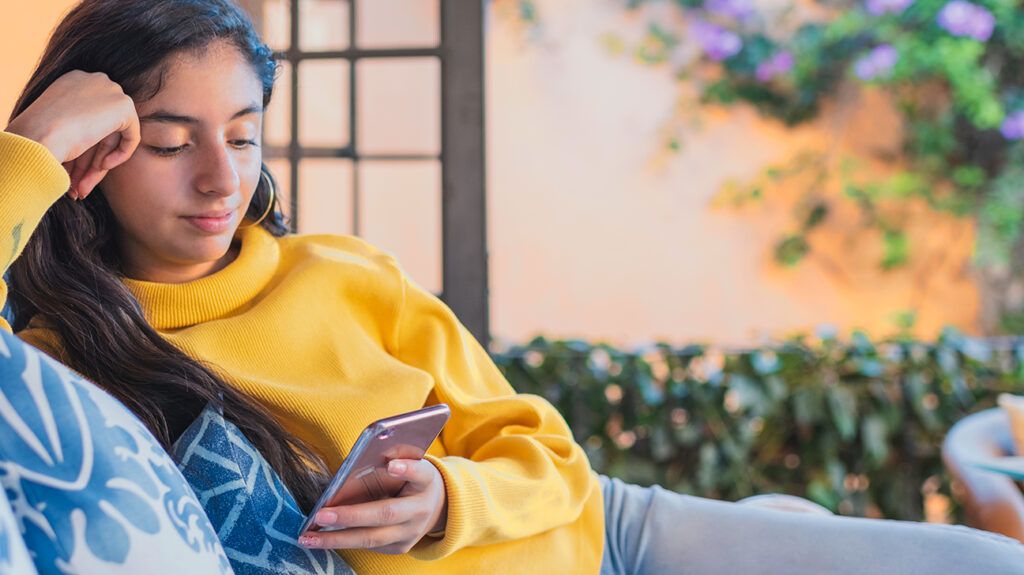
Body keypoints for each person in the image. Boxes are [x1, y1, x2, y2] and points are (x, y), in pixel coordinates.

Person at [1, 1, 1022, 573]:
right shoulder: (58, 363)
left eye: (242, 136)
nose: (220, 179)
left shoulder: (341, 271)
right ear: (99, 152)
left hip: (608, 537)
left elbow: (544, 451)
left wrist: (450, 495)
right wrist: (30, 149)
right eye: (171, 144)